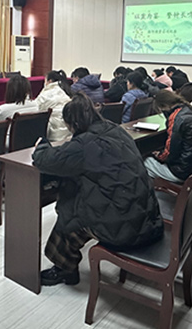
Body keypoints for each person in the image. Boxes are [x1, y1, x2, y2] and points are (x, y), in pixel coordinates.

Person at [32, 93, 163, 286]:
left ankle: (64, 269)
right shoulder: (116, 130)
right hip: (147, 219)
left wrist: (42, 145)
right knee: (79, 192)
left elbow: (46, 161)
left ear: (74, 124)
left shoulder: (84, 144)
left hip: (125, 231)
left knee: (70, 212)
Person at [144, 90, 192, 183]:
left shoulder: (177, 118)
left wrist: (158, 155)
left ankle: (153, 190)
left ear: (163, 107)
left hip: (182, 172)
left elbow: (170, 152)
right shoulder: (191, 111)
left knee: (145, 162)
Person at [35, 70, 72, 141]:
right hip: (68, 133)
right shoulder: (64, 92)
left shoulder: (45, 94)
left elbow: (36, 108)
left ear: (49, 81)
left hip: (53, 135)